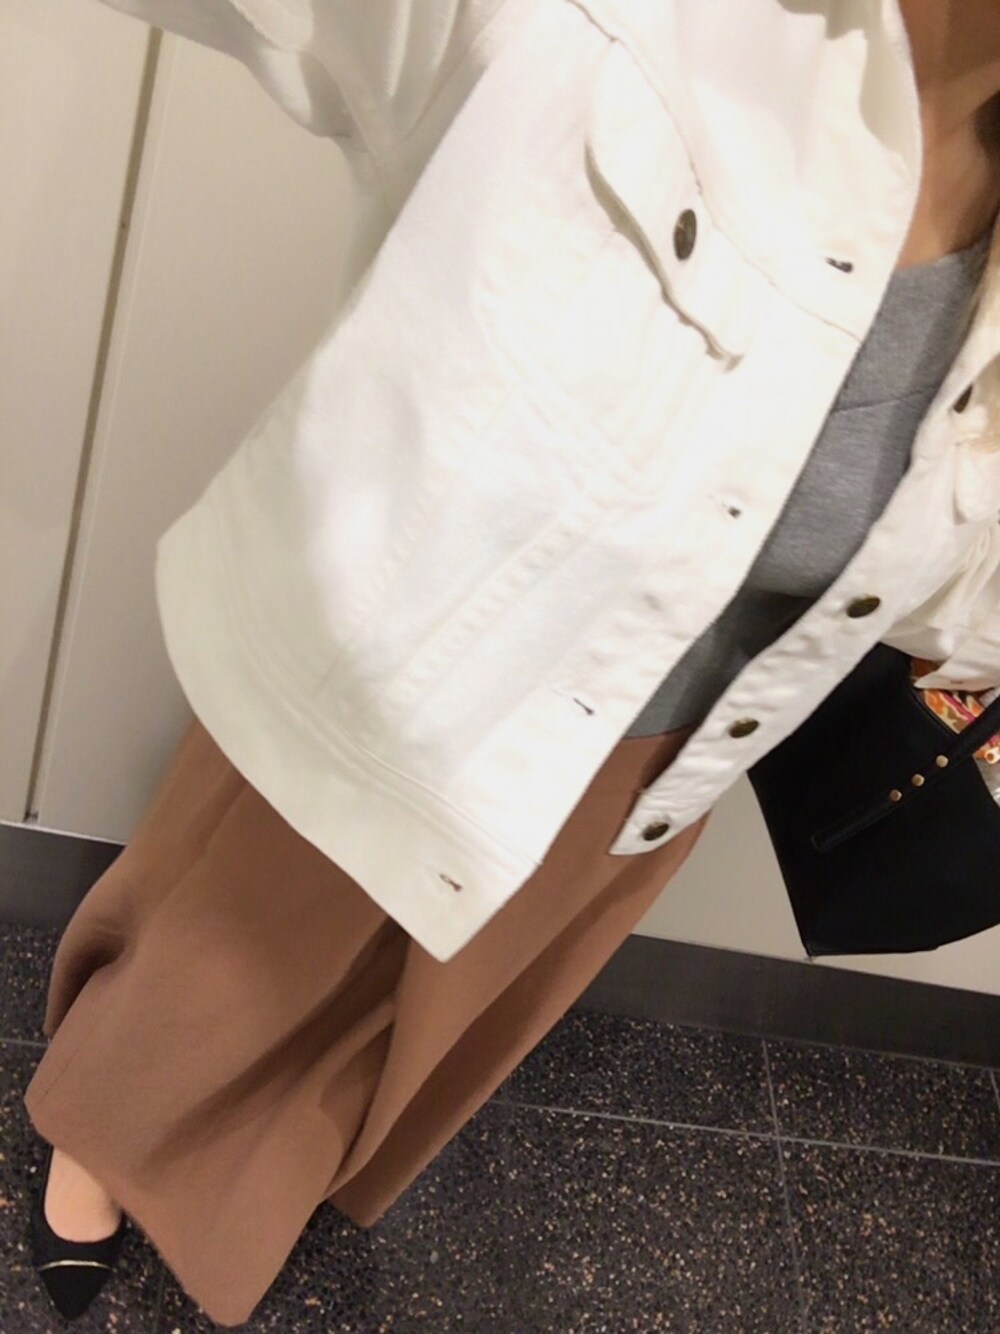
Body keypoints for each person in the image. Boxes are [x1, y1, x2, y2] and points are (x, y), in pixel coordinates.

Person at [22, 0, 1000, 1325]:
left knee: (419, 1012)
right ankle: (99, 1136)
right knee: (231, 953)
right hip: (434, 658)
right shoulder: (668, 29)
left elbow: (952, 577)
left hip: (665, 748)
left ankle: (255, 1175)